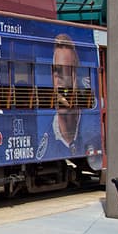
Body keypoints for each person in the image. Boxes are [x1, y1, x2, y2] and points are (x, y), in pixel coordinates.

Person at [37, 33, 103, 169]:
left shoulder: (93, 130)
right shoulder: (44, 140)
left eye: (69, 72)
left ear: (77, 77)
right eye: (58, 72)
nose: (63, 81)